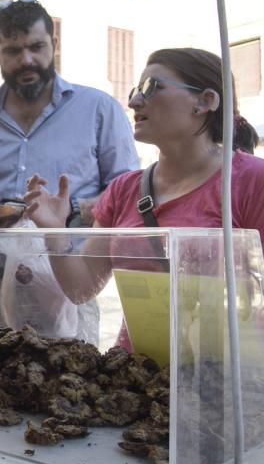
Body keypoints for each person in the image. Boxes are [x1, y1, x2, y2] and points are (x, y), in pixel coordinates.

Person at [25, 47, 264, 341]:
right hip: (138, 374)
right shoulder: (124, 189)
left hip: (222, 375)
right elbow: (81, 288)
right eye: (136, 89)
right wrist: (55, 231)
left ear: (205, 100)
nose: (134, 100)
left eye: (153, 87)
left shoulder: (252, 181)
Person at [0, 0, 139, 324]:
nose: (26, 60)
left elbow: (128, 195)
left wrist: (74, 209)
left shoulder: (98, 110)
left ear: (54, 44)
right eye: (13, 51)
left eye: (36, 47)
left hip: (67, 284)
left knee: (70, 376)